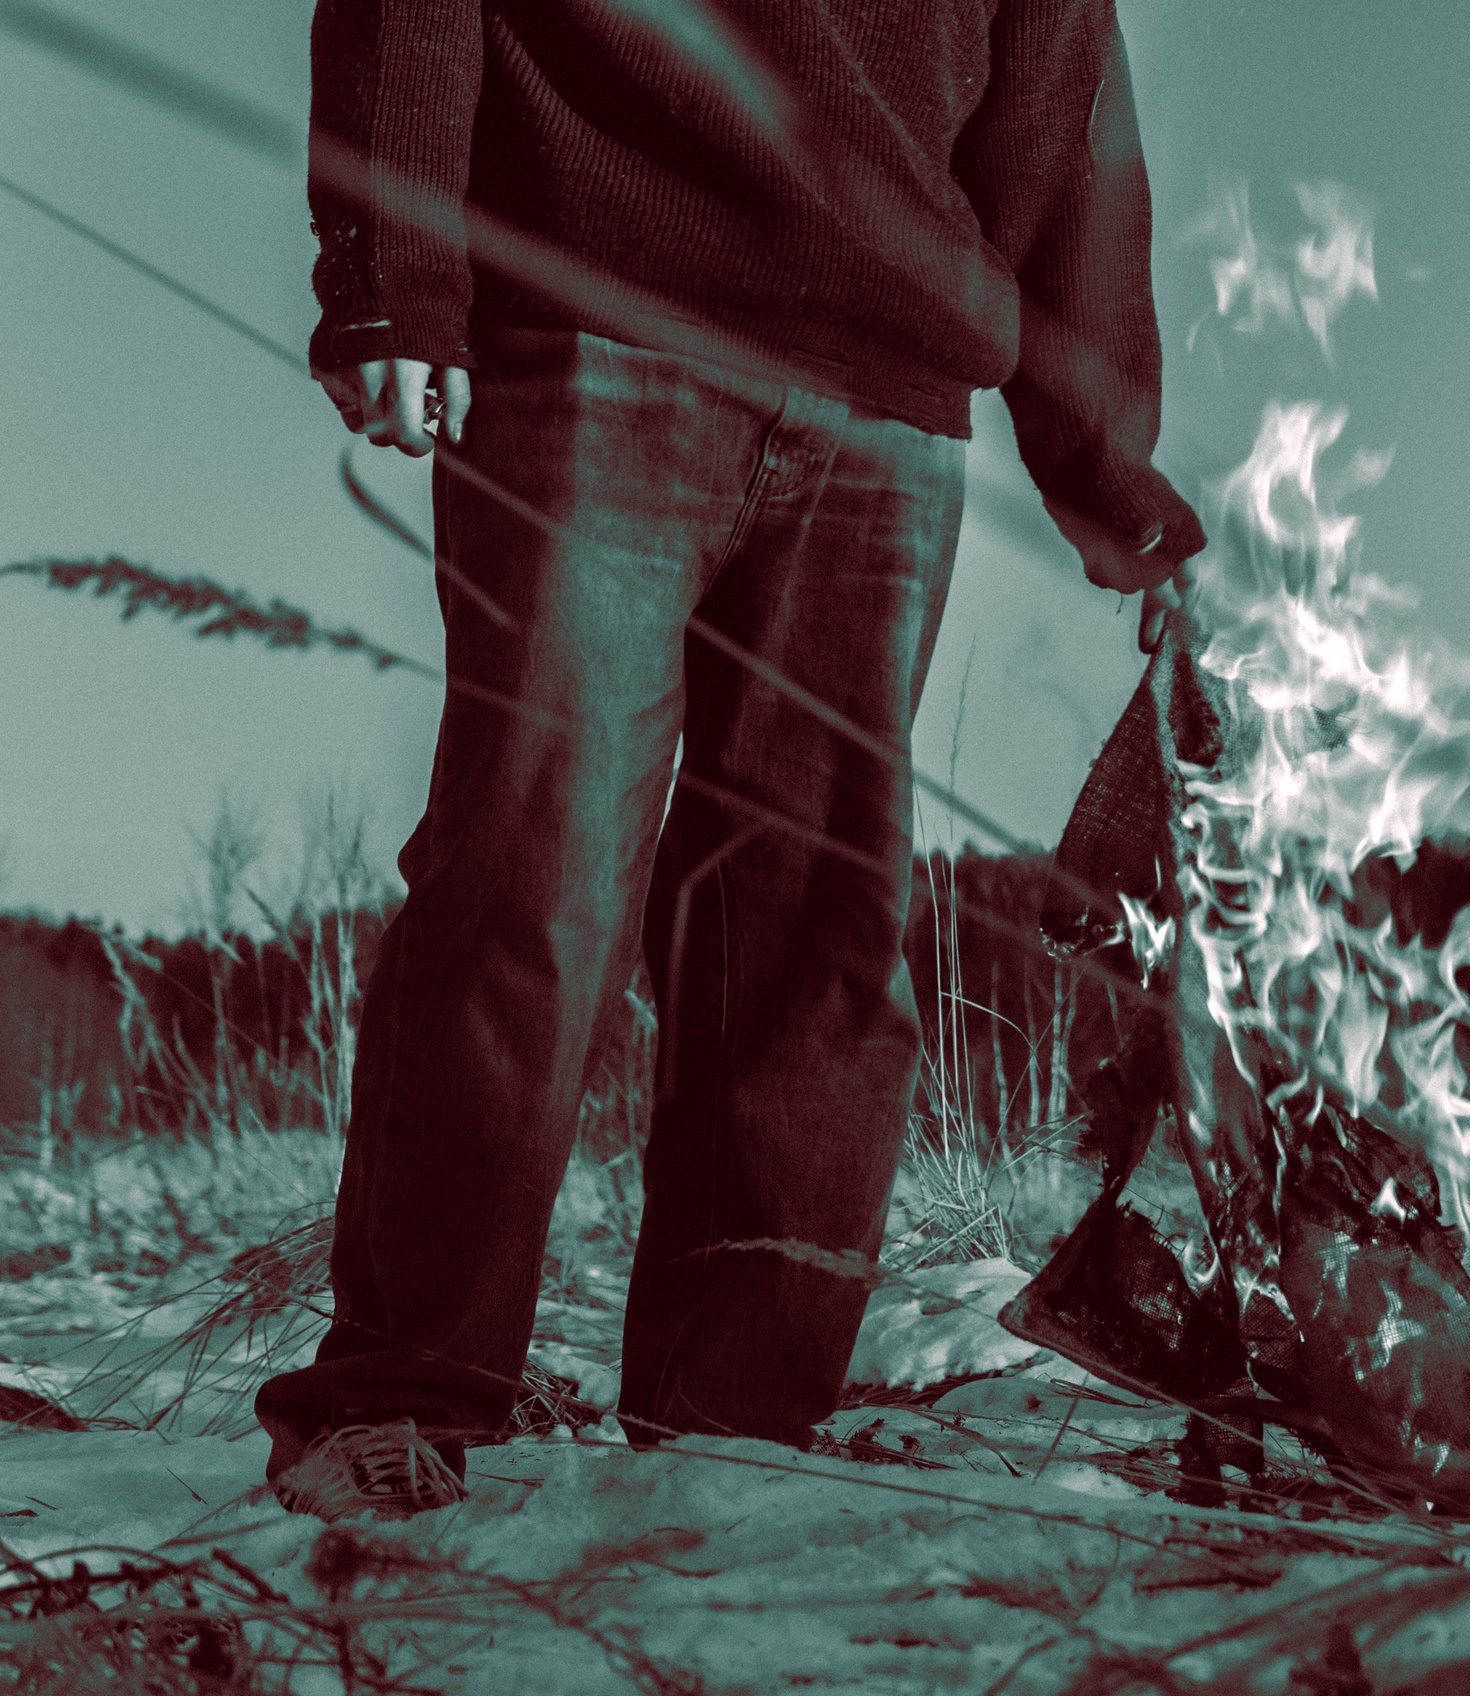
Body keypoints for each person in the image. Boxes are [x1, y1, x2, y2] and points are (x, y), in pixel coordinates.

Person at [255, 0, 1205, 1521]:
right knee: (536, 880)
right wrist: (394, 277)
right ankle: (395, 1403)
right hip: (594, 310)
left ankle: (736, 1438)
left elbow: (1060, 91)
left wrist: (1108, 468)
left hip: (891, 403)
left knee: (818, 929)